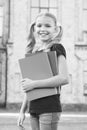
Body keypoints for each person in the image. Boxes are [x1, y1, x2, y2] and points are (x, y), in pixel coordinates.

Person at [17, 12, 69, 130]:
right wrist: (22, 111)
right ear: (34, 28)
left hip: (49, 108)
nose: (43, 29)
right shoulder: (35, 52)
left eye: (47, 26)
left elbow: (64, 78)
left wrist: (33, 84)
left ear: (55, 29)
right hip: (34, 108)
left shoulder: (56, 48)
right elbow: (28, 87)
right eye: (39, 25)